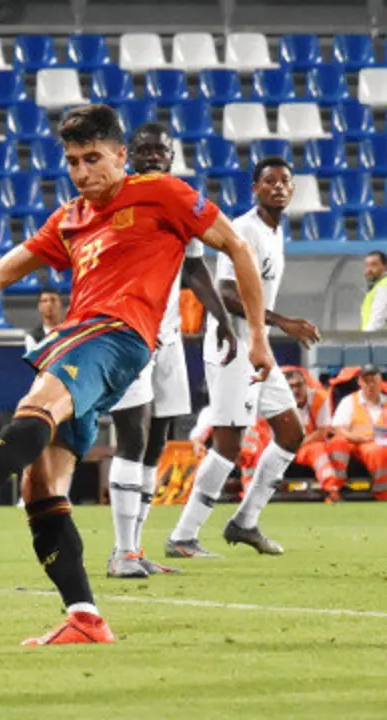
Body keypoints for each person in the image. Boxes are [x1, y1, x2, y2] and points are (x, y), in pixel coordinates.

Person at [0, 104, 272, 645]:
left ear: (121, 156)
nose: (81, 171)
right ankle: (85, 616)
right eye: (73, 161)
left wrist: (258, 334)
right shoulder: (70, 218)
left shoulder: (163, 192)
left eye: (93, 158)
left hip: (117, 334)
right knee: (41, 485)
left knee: (39, 402)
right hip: (85, 336)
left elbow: (234, 245)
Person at [165, 158, 322, 559]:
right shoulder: (243, 229)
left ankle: (245, 522)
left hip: (258, 346)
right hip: (233, 346)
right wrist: (281, 320)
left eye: (285, 181)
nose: (279, 187)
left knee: (290, 432)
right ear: (255, 188)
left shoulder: (275, 231)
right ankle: (183, 536)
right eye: (270, 181)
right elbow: (226, 291)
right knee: (228, 443)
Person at [103, 123, 237, 580]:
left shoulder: (180, 203)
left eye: (161, 150)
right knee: (133, 438)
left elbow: (195, 268)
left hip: (171, 339)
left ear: (173, 155)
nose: (153, 157)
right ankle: (122, 552)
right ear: (128, 155)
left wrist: (221, 318)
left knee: (157, 443)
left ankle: (133, 549)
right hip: (128, 334)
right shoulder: (114, 198)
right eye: (144, 150)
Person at [238, 369, 335, 497]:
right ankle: (250, 492)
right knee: (251, 443)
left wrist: (296, 445)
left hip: (305, 445)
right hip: (276, 444)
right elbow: (257, 427)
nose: (295, 390)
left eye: (299, 385)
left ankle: (332, 490)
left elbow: (322, 432)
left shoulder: (320, 398)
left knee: (318, 450)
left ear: (306, 384)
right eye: (291, 386)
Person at [326, 365, 387, 501]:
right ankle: (336, 489)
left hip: (378, 445)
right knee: (337, 442)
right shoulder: (349, 401)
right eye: (366, 381)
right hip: (354, 443)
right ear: (359, 382)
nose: (370, 385)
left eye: (374, 381)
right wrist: (356, 437)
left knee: (378, 450)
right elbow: (338, 428)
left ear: (380, 381)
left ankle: (382, 493)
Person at [361, 250, 387, 331]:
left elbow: (377, 320)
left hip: (376, 341)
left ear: (385, 266)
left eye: (373, 265)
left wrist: (364, 340)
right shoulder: (378, 285)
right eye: (367, 265)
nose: (369, 269)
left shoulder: (384, 286)